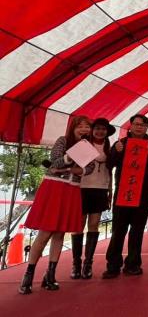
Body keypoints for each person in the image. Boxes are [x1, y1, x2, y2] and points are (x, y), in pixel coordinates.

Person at [19, 116, 91, 294]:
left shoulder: (87, 147)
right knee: (45, 233)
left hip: (72, 189)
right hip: (54, 188)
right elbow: (55, 161)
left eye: (86, 127)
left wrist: (67, 169)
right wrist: (71, 158)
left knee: (60, 233)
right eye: (80, 126)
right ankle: (28, 275)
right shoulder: (63, 140)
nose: (84, 129)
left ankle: (50, 275)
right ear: (73, 128)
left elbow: (87, 169)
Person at [102, 114, 148, 278]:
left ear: (146, 128)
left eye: (143, 125)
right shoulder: (121, 143)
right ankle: (113, 264)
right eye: (136, 124)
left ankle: (133, 264)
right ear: (131, 126)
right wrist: (116, 152)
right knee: (118, 230)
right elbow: (109, 164)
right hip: (123, 193)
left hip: (143, 193)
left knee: (137, 230)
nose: (139, 127)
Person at [71, 118, 115, 280]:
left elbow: (109, 172)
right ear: (92, 130)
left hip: (100, 189)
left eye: (103, 129)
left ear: (107, 132)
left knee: (94, 225)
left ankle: (88, 263)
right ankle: (76, 263)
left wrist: (110, 191)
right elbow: (72, 166)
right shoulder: (83, 145)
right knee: (78, 225)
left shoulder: (110, 148)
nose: (100, 132)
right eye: (97, 128)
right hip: (81, 187)